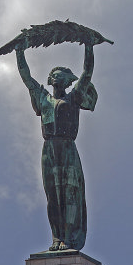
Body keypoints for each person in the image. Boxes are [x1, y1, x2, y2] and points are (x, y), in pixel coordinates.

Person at [15, 43, 97, 251]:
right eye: (54, 76)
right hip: (49, 149)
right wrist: (19, 51)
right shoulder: (43, 97)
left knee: (69, 193)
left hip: (68, 147)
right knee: (53, 194)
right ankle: (56, 238)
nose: (56, 79)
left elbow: (87, 73)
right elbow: (26, 78)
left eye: (61, 76)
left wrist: (89, 46)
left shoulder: (74, 97)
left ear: (67, 82)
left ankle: (69, 239)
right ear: (50, 80)